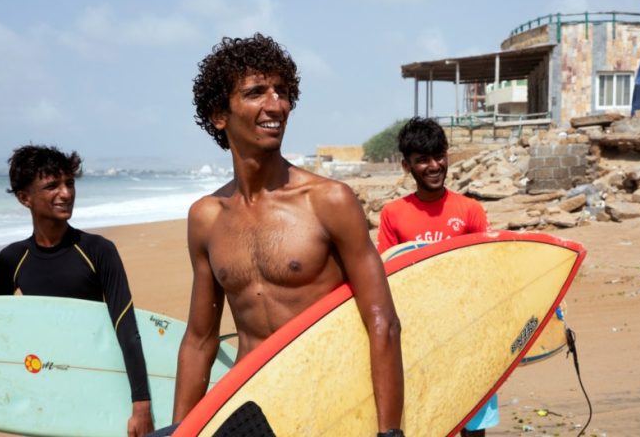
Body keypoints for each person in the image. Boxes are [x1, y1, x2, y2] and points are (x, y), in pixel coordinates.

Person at [172, 33, 405, 436]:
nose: (275, 104)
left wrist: (389, 432)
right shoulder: (206, 218)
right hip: (253, 409)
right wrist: (179, 430)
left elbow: (382, 321)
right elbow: (199, 339)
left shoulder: (329, 201)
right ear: (219, 115)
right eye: (256, 92)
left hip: (329, 404)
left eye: (282, 91)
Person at [0, 145, 154, 437]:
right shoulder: (12, 259)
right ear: (24, 198)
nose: (66, 193)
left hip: (96, 384)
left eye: (70, 183)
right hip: (43, 387)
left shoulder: (98, 251)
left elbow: (125, 327)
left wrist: (141, 405)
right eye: (52, 186)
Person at [377, 117, 498, 436]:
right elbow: (389, 276)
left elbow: (485, 271)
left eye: (439, 156)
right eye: (422, 160)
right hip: (420, 334)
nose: (434, 166)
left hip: (468, 328)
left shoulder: (470, 210)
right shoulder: (393, 214)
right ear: (406, 166)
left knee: (474, 422)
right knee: (428, 418)